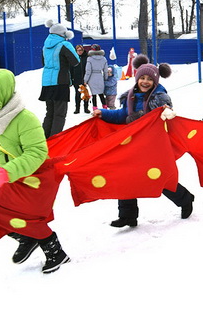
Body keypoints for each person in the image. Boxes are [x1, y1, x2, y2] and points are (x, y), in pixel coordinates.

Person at [0, 68, 70, 273]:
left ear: (1, 94)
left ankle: (56, 253)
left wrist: (10, 171)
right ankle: (27, 238)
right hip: (9, 174)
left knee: (30, 217)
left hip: (34, 176)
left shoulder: (25, 119)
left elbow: (37, 153)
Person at [93, 54, 195, 227]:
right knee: (126, 176)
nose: (145, 82)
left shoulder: (159, 98)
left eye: (149, 79)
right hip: (134, 143)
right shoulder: (130, 97)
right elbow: (122, 115)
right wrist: (103, 113)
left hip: (153, 146)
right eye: (142, 78)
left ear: (155, 82)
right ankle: (127, 215)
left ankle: (185, 199)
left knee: (159, 177)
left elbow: (163, 116)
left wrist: (164, 111)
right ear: (137, 78)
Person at [39, 19, 80, 138]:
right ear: (64, 34)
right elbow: (75, 61)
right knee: (60, 114)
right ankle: (55, 140)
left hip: (47, 83)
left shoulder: (45, 46)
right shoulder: (64, 44)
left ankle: (44, 138)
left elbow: (44, 62)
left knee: (50, 113)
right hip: (60, 82)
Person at [85, 44, 108, 110]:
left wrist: (85, 80)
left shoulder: (89, 59)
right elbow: (106, 70)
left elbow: (88, 71)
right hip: (100, 76)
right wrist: (105, 78)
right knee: (101, 93)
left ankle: (95, 108)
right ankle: (105, 106)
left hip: (92, 77)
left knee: (93, 94)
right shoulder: (103, 58)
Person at [70, 44, 89, 114]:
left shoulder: (86, 57)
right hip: (76, 78)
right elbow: (71, 69)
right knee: (77, 94)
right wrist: (71, 78)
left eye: (81, 50)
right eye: (78, 50)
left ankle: (86, 108)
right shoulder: (74, 58)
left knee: (85, 93)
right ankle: (77, 108)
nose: (80, 52)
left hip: (84, 78)